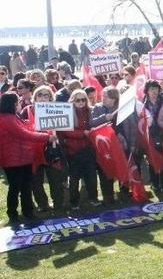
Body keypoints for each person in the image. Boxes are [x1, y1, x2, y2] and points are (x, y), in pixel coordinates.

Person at [0, 93, 54, 224]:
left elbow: (26, 131)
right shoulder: (7, 119)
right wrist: (46, 137)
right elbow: (24, 134)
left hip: (23, 158)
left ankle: (28, 212)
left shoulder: (14, 117)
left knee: (25, 187)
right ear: (13, 104)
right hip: (13, 160)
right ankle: (13, 214)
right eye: (18, 102)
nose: (19, 104)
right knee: (15, 188)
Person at [91, 87, 138, 203]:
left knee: (123, 167)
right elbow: (91, 123)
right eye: (102, 95)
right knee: (106, 170)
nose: (102, 98)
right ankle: (108, 196)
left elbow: (133, 126)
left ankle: (124, 192)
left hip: (122, 144)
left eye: (106, 96)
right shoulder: (97, 108)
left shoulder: (123, 107)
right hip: (105, 147)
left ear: (114, 98)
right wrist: (104, 118)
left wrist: (132, 144)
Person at [59, 89, 100, 209]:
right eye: (78, 100)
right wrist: (83, 133)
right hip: (73, 151)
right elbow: (66, 131)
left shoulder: (91, 111)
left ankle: (93, 198)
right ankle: (74, 202)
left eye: (83, 99)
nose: (81, 102)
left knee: (91, 177)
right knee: (74, 179)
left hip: (88, 149)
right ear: (73, 100)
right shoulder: (67, 112)